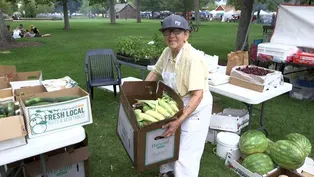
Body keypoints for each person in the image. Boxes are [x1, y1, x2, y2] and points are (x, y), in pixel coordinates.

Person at [145, 15, 213, 177]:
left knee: (185, 155)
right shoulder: (167, 52)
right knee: (166, 139)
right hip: (177, 103)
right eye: (167, 31)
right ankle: (166, 173)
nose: (171, 36)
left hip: (196, 108)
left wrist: (179, 121)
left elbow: (198, 95)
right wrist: (140, 92)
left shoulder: (193, 58)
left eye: (176, 31)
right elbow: (155, 72)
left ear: (186, 35)